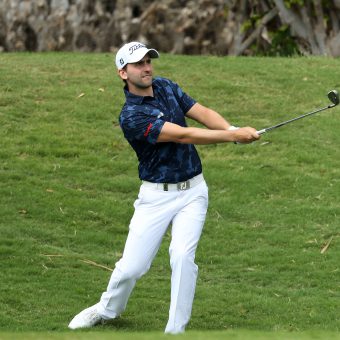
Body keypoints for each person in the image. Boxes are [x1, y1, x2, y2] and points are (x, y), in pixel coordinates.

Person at [68, 41, 260, 334]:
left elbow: (201, 112)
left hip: (193, 191)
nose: (146, 68)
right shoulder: (131, 116)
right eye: (138, 64)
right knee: (132, 267)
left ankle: (175, 330)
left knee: (182, 257)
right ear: (123, 72)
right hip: (156, 197)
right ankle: (107, 309)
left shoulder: (166, 86)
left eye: (148, 61)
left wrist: (233, 130)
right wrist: (229, 136)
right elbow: (182, 135)